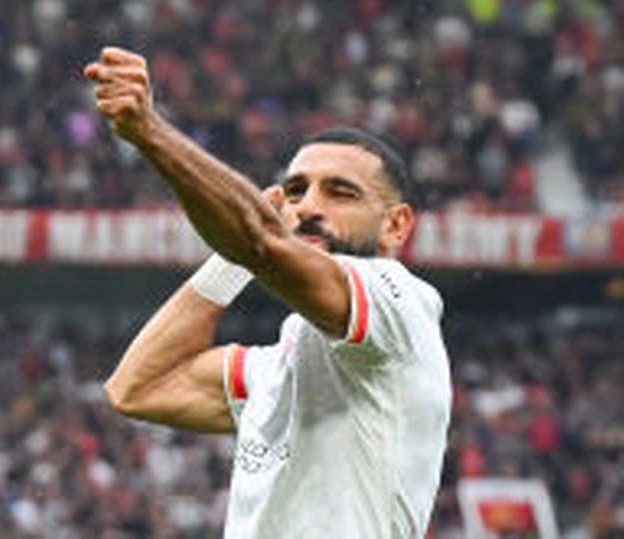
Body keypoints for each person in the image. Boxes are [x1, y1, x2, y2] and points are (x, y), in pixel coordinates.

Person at [85, 47, 452, 538]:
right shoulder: (277, 367)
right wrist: (230, 263)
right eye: (295, 191)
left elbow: (261, 242)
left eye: (340, 192)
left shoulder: (399, 302)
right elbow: (136, 388)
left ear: (396, 225)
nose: (307, 208)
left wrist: (149, 133)